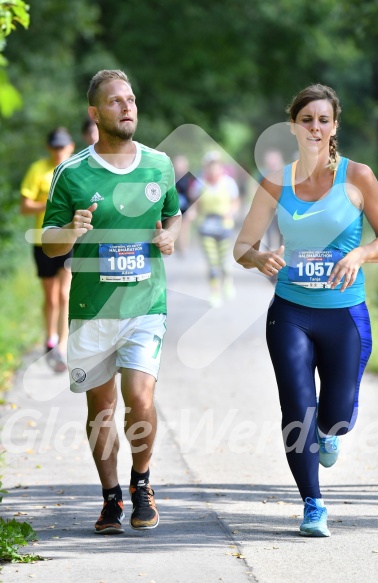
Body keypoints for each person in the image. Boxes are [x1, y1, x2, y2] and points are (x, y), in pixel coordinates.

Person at [234, 84, 378, 537]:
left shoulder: (358, 177)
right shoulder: (276, 181)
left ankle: (330, 433)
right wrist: (260, 258)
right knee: (296, 406)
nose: (315, 127)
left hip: (344, 313)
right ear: (293, 126)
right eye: (307, 120)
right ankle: (313, 504)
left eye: (323, 120)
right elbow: (243, 246)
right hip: (291, 312)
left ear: (335, 126)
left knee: (336, 414)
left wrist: (359, 255)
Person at [41, 69, 181, 534]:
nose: (127, 107)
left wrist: (169, 238)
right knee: (100, 410)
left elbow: (173, 216)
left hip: (146, 304)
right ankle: (110, 497)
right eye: (116, 101)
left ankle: (141, 484)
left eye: (131, 99)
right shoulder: (72, 172)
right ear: (95, 112)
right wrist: (70, 232)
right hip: (91, 310)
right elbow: (49, 246)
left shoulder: (158, 164)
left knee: (139, 398)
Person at [20, 127, 75, 372]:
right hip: (42, 241)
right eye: (54, 147)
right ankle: (50, 337)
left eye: (62, 147)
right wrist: (47, 203)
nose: (58, 151)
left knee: (65, 294)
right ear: (48, 148)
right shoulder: (37, 170)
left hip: (69, 240)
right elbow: (25, 206)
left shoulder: (76, 170)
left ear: (70, 147)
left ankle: (61, 347)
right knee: (51, 297)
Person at [194, 151, 240, 307]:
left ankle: (227, 281)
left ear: (220, 167)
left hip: (224, 226)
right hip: (206, 227)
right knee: (212, 262)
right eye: (210, 166)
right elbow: (196, 205)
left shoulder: (228, 183)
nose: (213, 169)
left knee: (224, 261)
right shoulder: (199, 183)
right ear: (206, 167)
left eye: (216, 165)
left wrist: (230, 212)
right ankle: (214, 292)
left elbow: (235, 202)